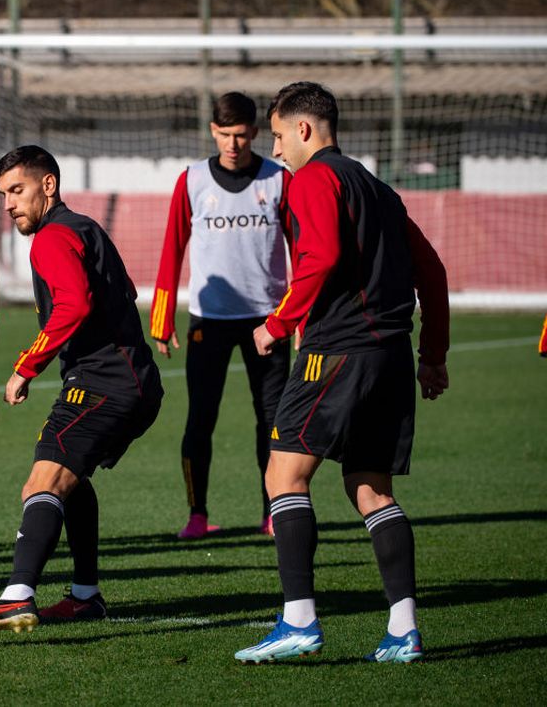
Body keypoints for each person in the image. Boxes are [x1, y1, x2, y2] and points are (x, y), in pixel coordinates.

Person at [234, 82, 449, 664]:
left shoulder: (314, 179)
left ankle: (298, 619)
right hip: (391, 357)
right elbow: (433, 274)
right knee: (371, 488)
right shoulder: (380, 190)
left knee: (283, 475)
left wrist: (277, 324)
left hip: (338, 351)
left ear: (304, 129)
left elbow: (321, 256)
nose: (275, 149)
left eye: (278, 136)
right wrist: (433, 355)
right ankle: (403, 629)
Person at [0, 145, 164, 646]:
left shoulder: (51, 238)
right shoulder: (87, 228)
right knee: (72, 478)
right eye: (4, 195)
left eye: (17, 191)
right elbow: (121, 292)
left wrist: (26, 365)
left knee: (42, 481)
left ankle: (19, 593)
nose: (9, 205)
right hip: (136, 381)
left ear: (49, 185)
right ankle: (85, 595)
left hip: (103, 383)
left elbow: (74, 303)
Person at [150, 91, 293, 540]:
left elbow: (304, 253)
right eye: (224, 135)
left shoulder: (279, 179)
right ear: (213, 131)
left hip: (267, 321)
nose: (232, 144)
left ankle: (274, 511)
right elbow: (172, 248)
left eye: (241, 136)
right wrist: (161, 320)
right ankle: (197, 513)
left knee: (271, 421)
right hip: (208, 320)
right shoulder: (191, 180)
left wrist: (300, 318)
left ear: (254, 132)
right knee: (200, 418)